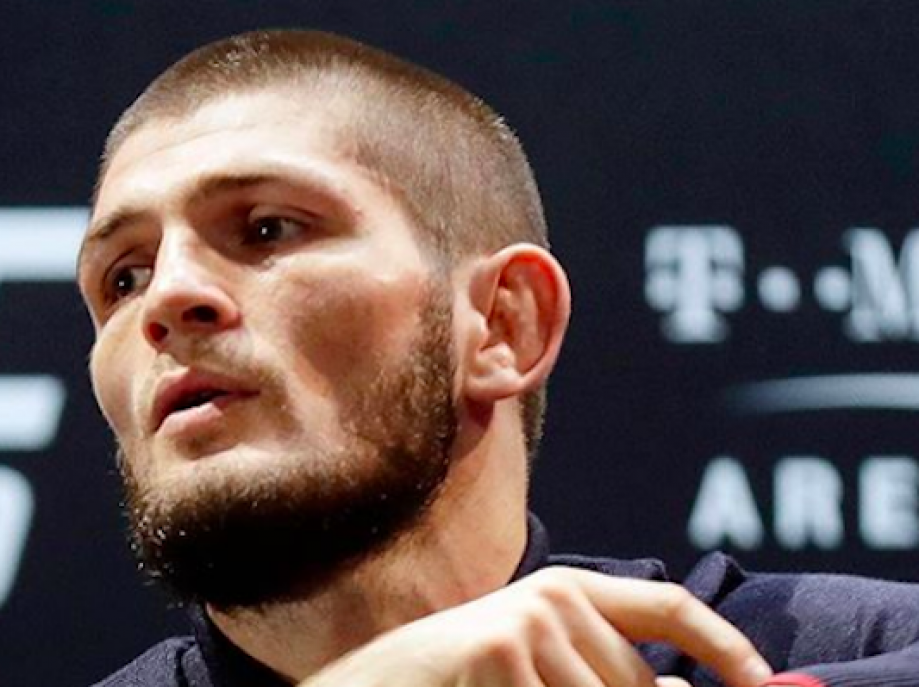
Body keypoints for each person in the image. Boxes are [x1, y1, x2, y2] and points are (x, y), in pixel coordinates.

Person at [76, 29, 919, 687]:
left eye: (267, 228)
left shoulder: (809, 647)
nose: (167, 298)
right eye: (124, 277)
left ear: (503, 323)